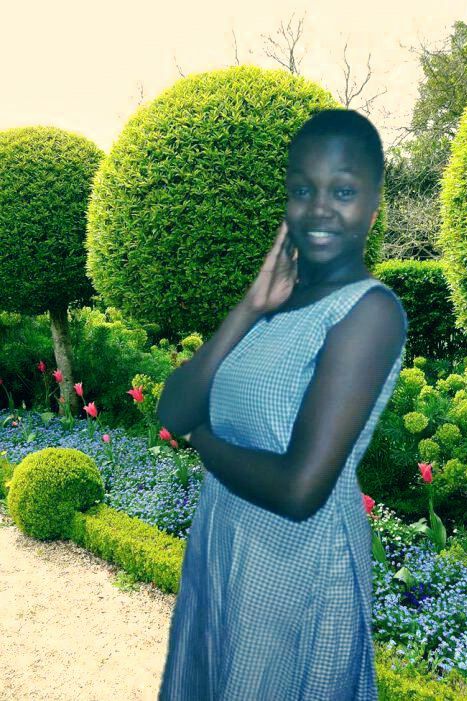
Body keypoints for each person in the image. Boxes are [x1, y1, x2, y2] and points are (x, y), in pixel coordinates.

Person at [156, 109, 408, 700]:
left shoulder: (369, 313)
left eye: (342, 191)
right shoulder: (276, 306)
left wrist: (201, 439)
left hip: (297, 570)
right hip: (226, 544)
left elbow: (299, 490)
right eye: (302, 190)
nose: (319, 209)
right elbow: (173, 408)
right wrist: (251, 305)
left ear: (374, 206)